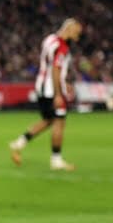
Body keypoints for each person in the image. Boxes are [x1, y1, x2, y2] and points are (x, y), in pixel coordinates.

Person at [9, 18, 83, 171]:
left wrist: (64, 82)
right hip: (51, 90)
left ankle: (19, 143)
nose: (77, 37)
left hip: (41, 86)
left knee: (48, 120)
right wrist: (58, 93)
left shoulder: (50, 39)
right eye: (76, 33)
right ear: (68, 30)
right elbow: (55, 69)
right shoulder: (62, 47)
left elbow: (49, 66)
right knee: (59, 122)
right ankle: (56, 160)